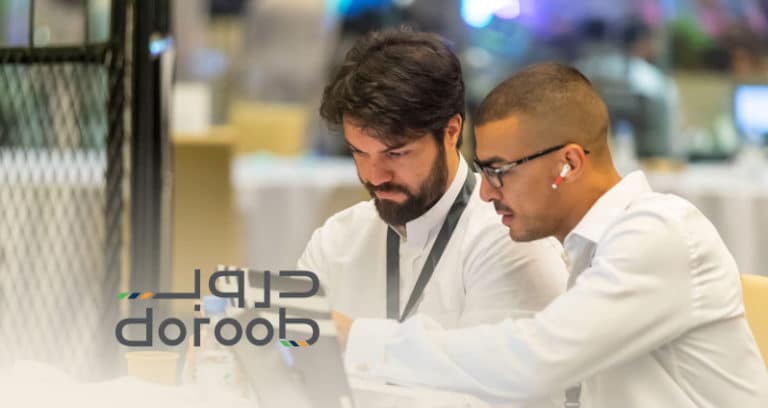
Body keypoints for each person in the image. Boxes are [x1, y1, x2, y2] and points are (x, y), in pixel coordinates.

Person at [335, 62, 768, 407]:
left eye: (499, 171)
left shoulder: (659, 233)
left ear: (569, 164)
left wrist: (358, 340)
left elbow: (533, 362)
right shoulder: (589, 249)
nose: (485, 192)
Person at [299, 29, 567, 333]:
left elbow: (489, 362)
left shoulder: (509, 241)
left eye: (396, 153)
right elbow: (287, 346)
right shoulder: (337, 238)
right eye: (359, 152)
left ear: (451, 132)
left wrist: (348, 336)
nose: (375, 176)